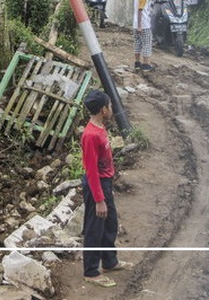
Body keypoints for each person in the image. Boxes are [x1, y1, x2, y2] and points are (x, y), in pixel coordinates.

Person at [80, 89, 132, 287]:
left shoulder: (100, 127)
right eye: (109, 106)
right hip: (97, 185)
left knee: (110, 223)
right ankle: (91, 271)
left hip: (105, 183)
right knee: (95, 227)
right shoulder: (90, 135)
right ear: (103, 110)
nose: (111, 109)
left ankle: (110, 261)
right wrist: (99, 199)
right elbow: (91, 170)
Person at [132, 0, 155, 71]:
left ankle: (137, 63)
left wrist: (137, 25)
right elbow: (140, 11)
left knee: (137, 43)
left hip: (135, 24)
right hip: (144, 25)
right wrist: (140, 26)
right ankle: (145, 64)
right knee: (147, 43)